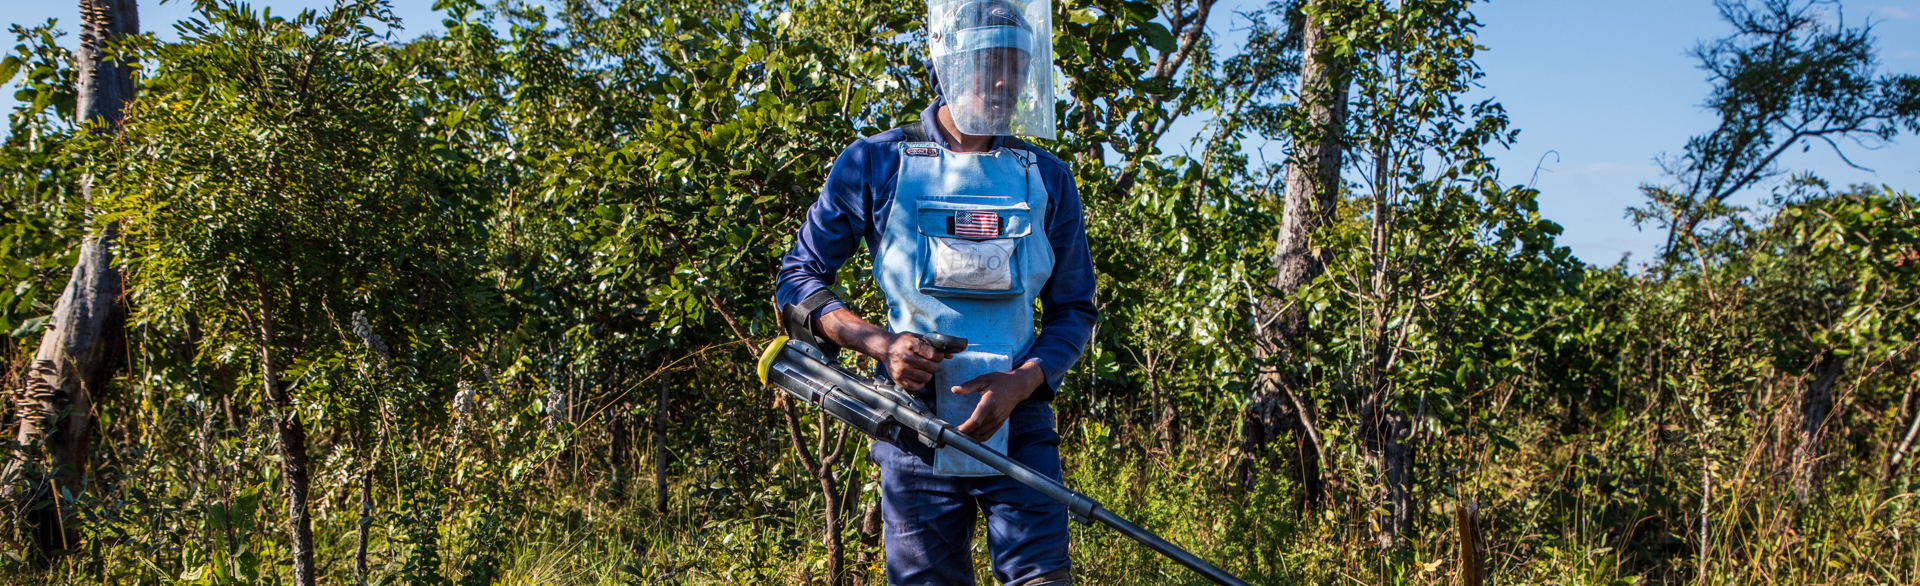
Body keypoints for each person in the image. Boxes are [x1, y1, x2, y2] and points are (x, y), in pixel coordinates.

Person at [773, 1, 1093, 583]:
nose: (1003, 79)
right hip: (911, 428)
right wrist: (880, 345)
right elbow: (798, 280)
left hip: (1020, 424)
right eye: (987, 60)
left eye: (1016, 64)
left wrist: (1023, 382)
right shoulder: (876, 163)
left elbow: (1074, 310)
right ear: (947, 63)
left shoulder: (1046, 177)